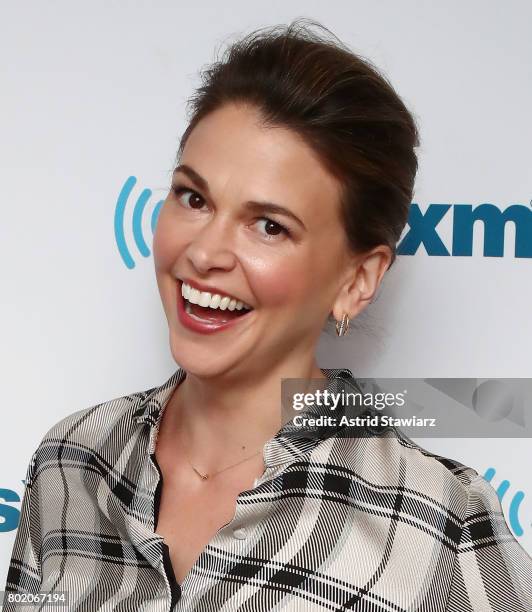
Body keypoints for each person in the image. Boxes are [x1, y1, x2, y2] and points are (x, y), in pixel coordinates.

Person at [4, 18, 531, 612]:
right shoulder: (73, 458)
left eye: (269, 226)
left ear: (356, 281)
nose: (203, 253)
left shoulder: (439, 522)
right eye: (193, 197)